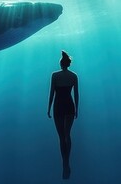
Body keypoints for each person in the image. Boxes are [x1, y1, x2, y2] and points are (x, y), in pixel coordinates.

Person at [48, 50, 79, 179]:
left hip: (58, 106)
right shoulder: (74, 76)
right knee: (68, 135)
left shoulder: (54, 75)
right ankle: (67, 161)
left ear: (61, 64)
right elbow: (76, 94)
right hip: (69, 105)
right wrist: (77, 109)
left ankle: (64, 163)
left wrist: (48, 108)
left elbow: (52, 94)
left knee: (61, 137)